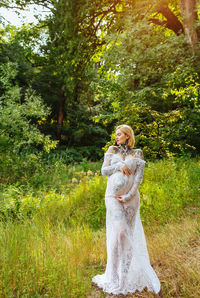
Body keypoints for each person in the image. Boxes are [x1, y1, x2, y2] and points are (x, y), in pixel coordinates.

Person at [92, 124, 160, 295]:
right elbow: (103, 171)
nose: (116, 136)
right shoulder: (112, 150)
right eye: (115, 134)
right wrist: (118, 166)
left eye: (120, 134)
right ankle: (112, 276)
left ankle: (123, 279)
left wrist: (129, 195)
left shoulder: (137, 153)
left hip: (130, 200)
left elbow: (139, 178)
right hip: (112, 198)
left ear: (128, 136)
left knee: (123, 237)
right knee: (120, 232)